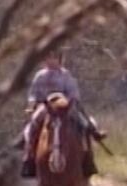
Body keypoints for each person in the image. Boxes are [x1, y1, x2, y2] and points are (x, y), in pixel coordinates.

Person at [20, 50, 106, 179]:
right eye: (48, 58)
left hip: (63, 106)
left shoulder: (65, 76)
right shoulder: (40, 76)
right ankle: (29, 156)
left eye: (54, 58)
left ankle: (89, 153)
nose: (51, 61)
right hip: (46, 105)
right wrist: (32, 102)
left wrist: (70, 101)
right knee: (32, 123)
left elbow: (73, 93)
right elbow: (33, 92)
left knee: (82, 121)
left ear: (60, 60)